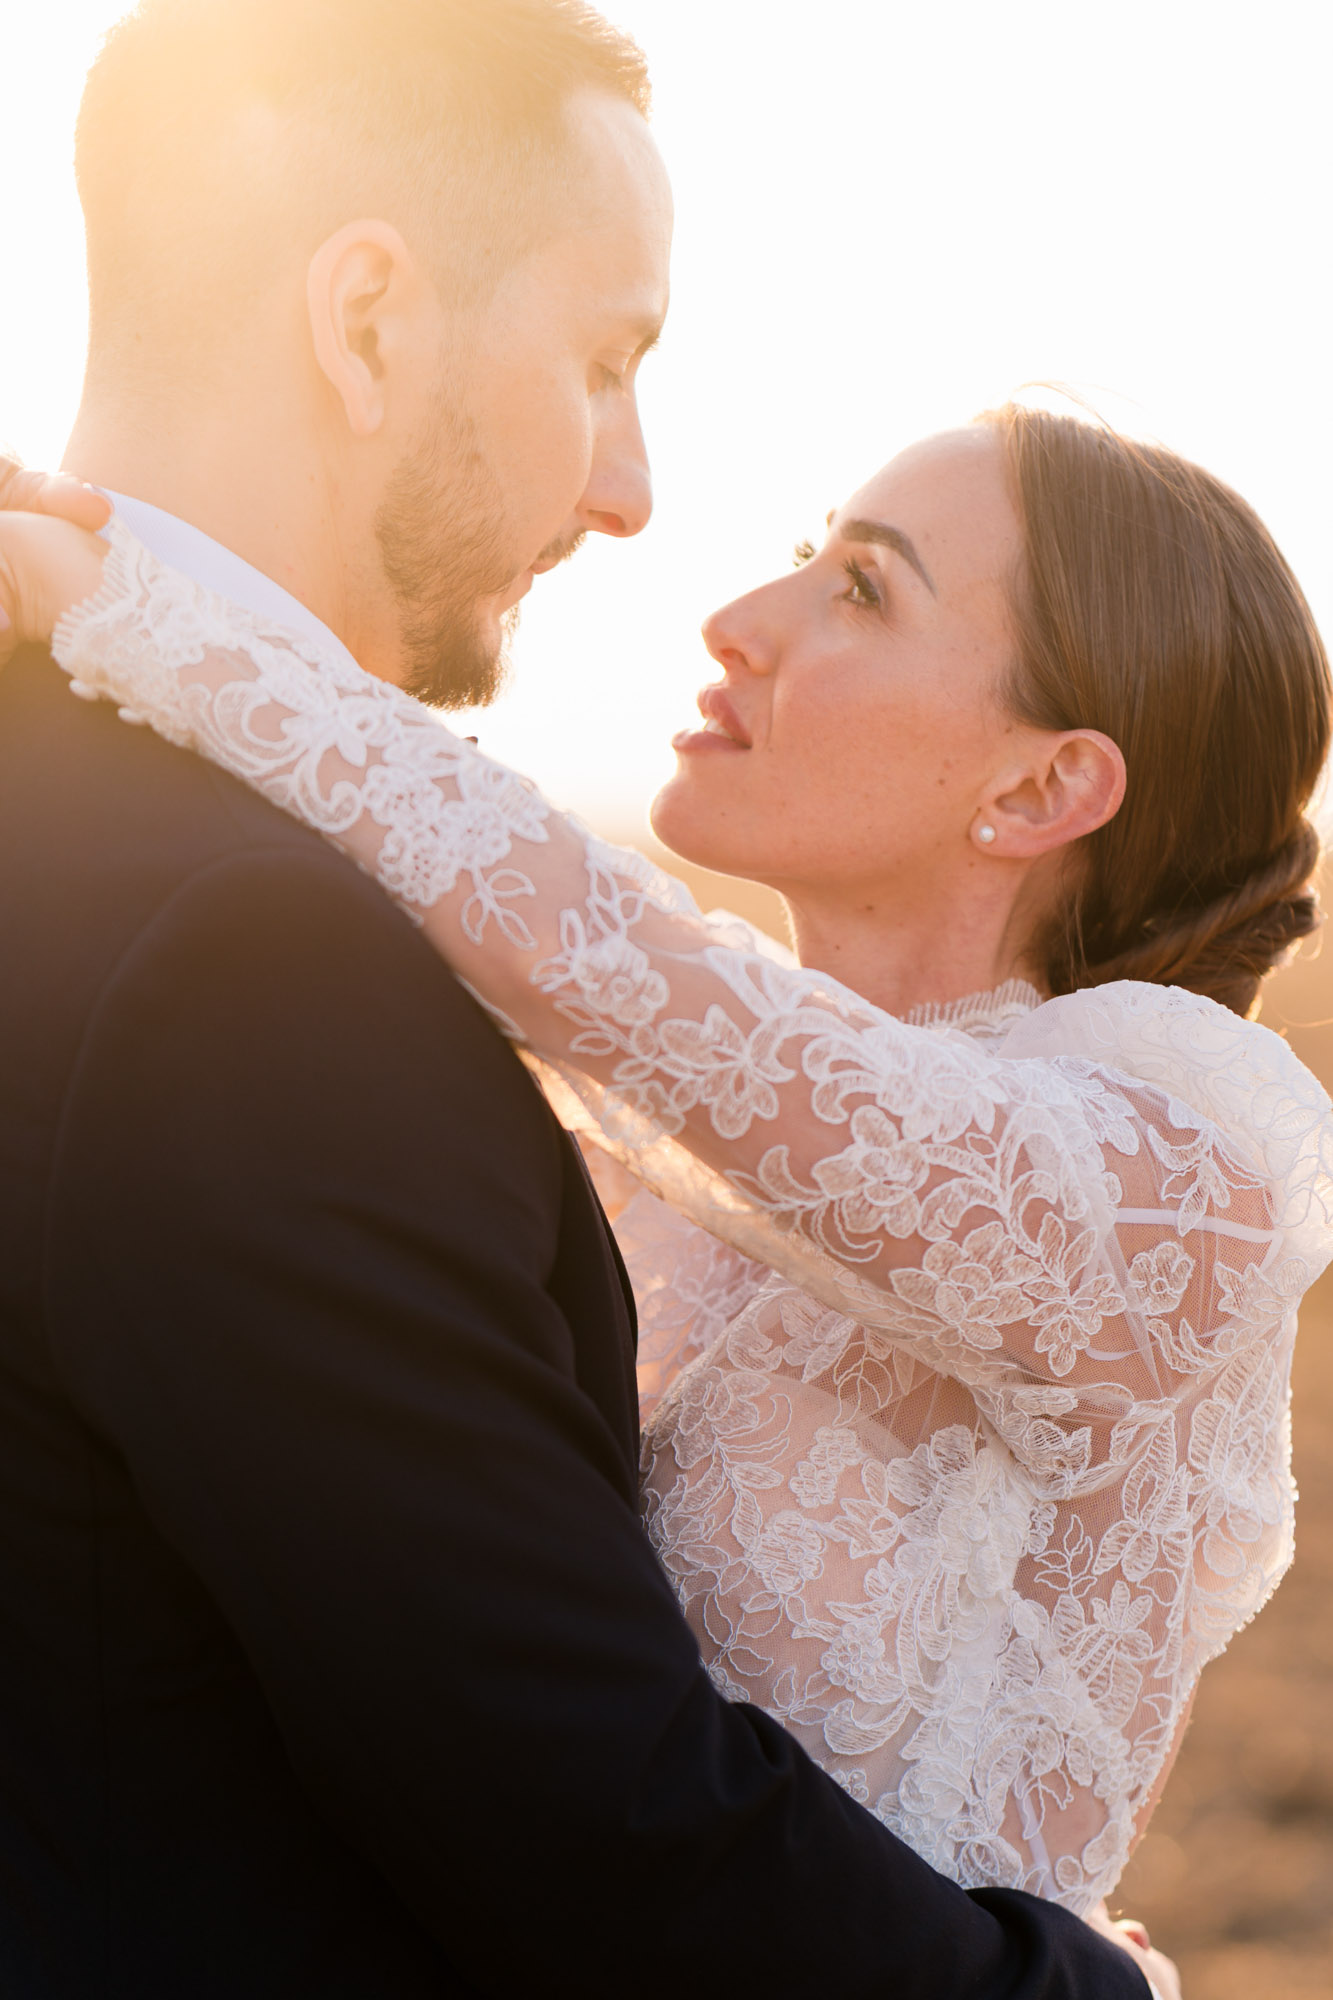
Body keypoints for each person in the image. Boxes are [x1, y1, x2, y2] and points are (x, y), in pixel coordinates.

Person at [0, 0, 1166, 1995]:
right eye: (605, 359)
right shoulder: (245, 960)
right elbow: (595, 1830)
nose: (629, 490)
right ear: (366, 321)